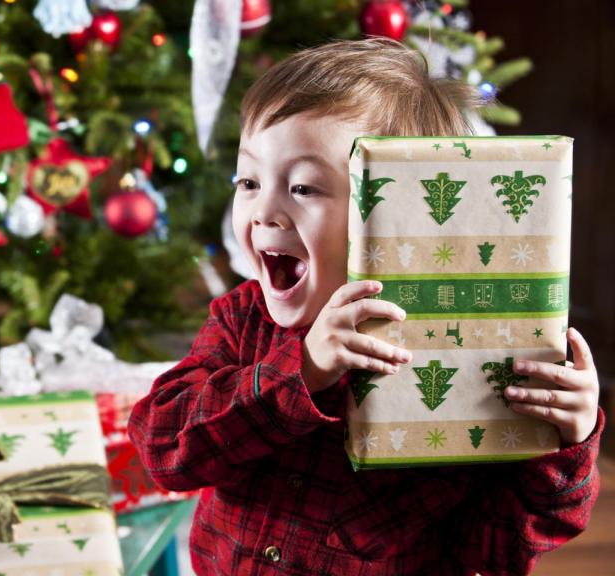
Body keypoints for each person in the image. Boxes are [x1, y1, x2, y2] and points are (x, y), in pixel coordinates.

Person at [128, 38, 603, 575]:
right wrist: (299, 371)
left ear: (402, 214)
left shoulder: (464, 357)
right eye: (249, 181)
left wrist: (566, 441)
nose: (264, 210)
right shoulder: (243, 318)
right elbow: (161, 447)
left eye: (304, 187)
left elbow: (498, 550)